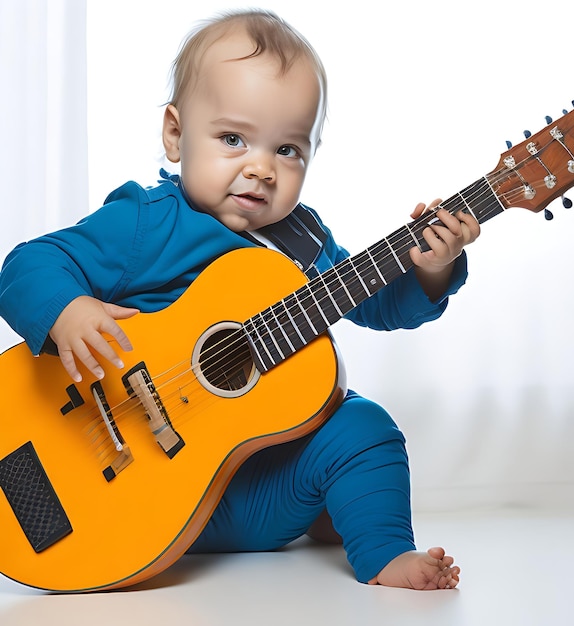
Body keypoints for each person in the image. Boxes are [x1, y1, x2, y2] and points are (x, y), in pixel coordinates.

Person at [0, 9, 479, 590]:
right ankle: (332, 509)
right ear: (175, 135)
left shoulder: (303, 242)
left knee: (364, 426)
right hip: (138, 503)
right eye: (232, 139)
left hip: (247, 494)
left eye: (288, 150)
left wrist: (433, 269)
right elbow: (29, 265)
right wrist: (68, 310)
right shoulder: (147, 222)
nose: (260, 168)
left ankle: (383, 553)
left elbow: (380, 305)